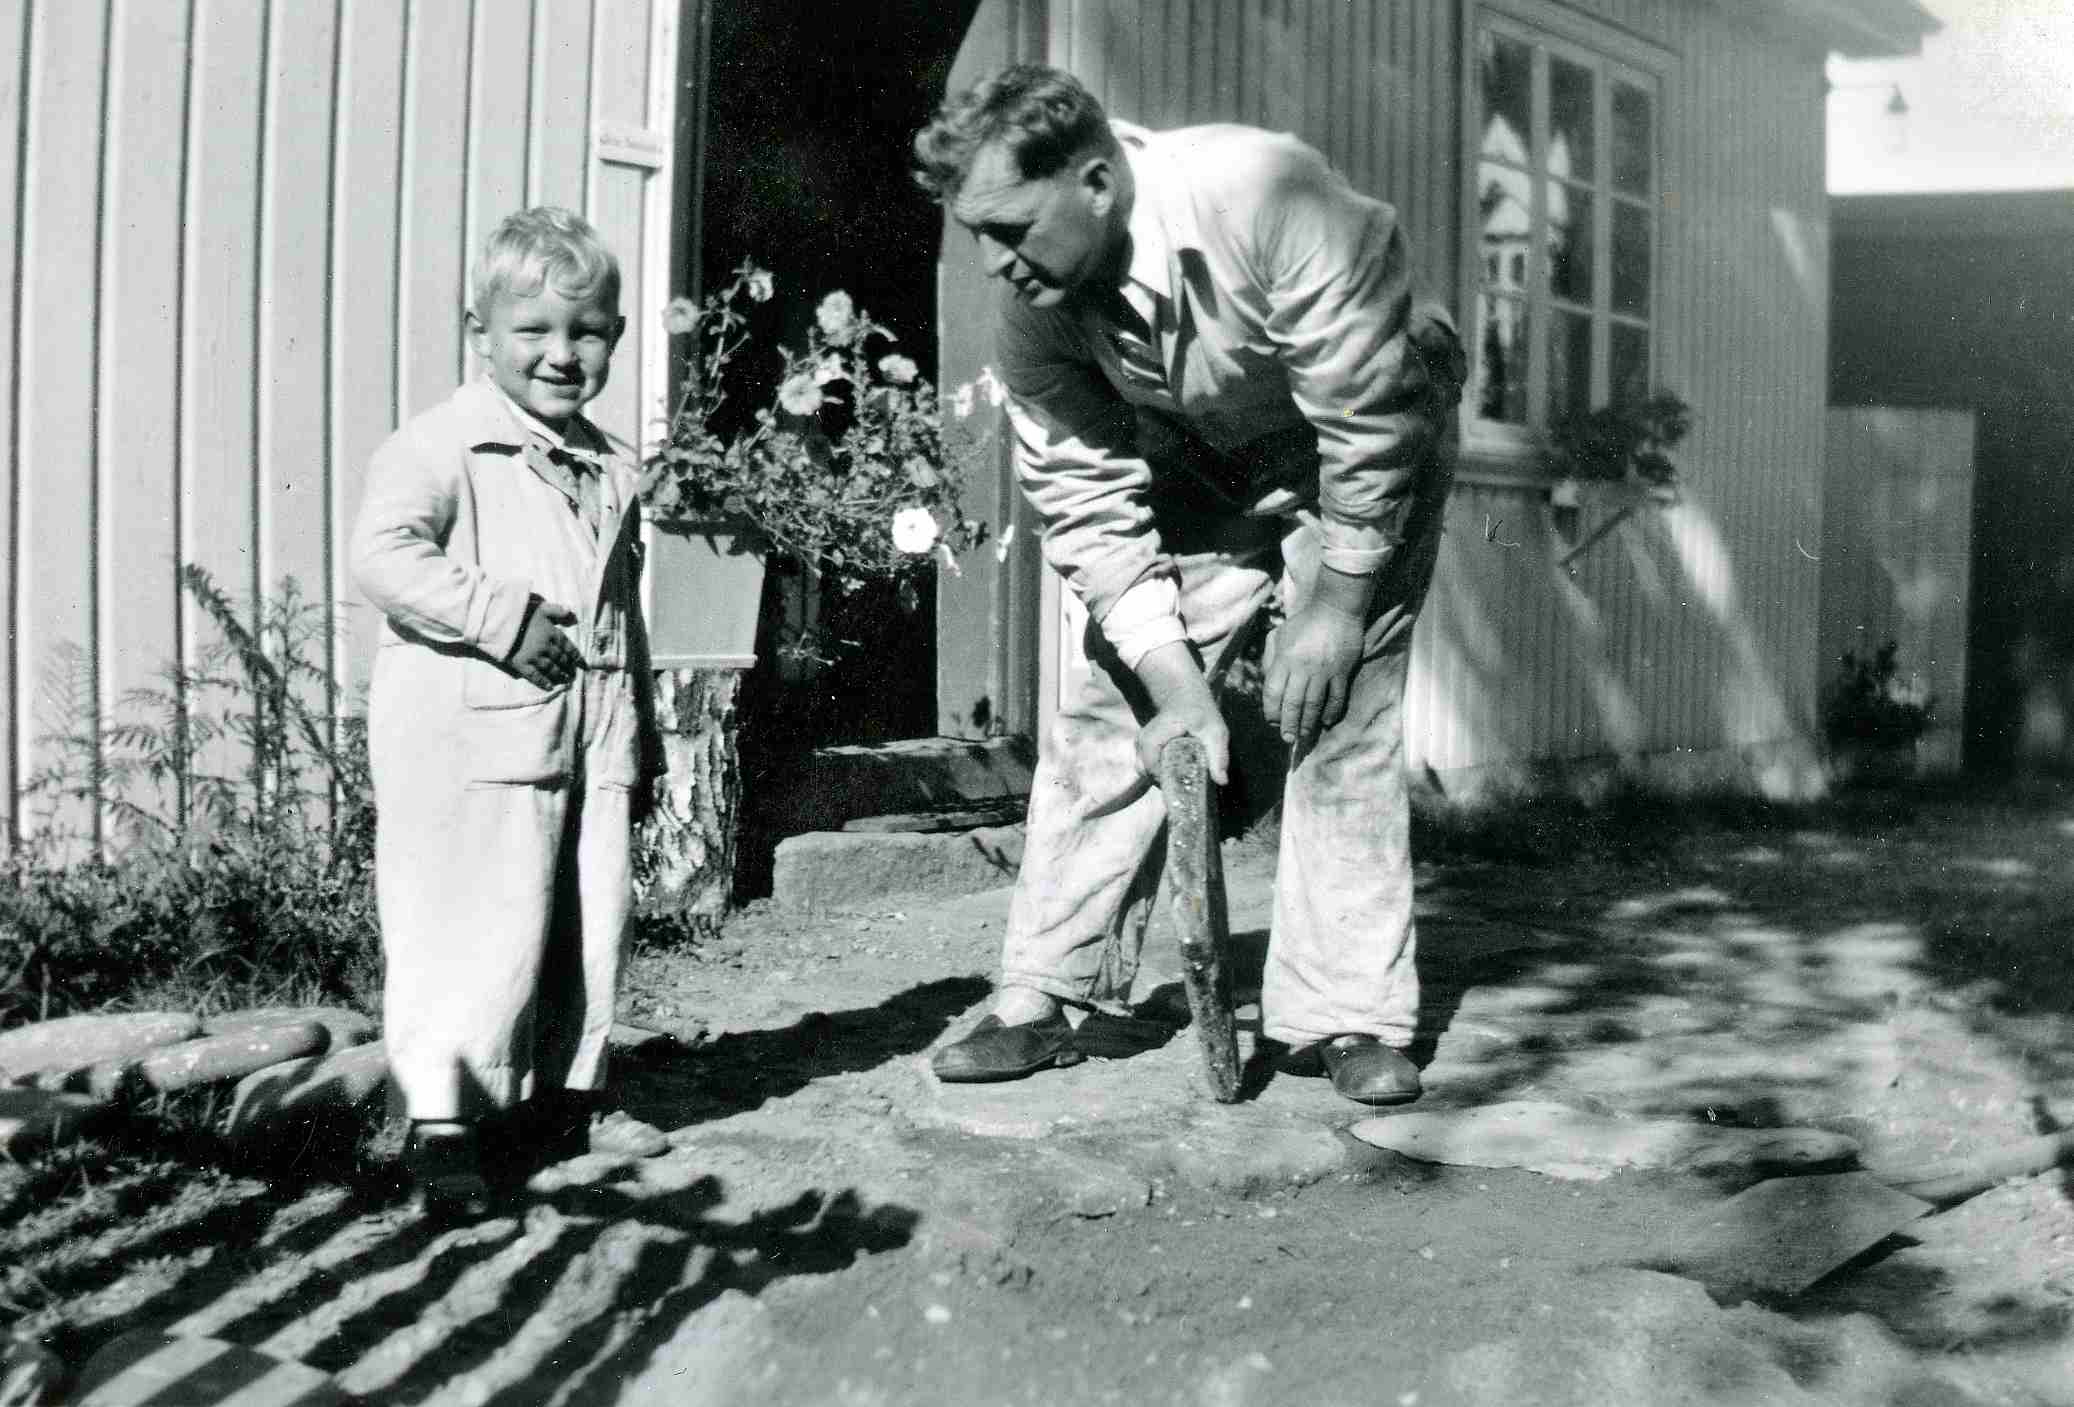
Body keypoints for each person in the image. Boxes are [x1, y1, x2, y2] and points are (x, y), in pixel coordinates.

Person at [912, 66, 1463, 1106]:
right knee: (1113, 696)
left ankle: (1345, 1012)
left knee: (1336, 707)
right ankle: (1049, 991)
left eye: (1012, 228)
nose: (993, 262)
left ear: (1095, 182)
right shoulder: (1035, 314)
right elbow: (1087, 510)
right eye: (975, 232)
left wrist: (1336, 609)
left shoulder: (1266, 195)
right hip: (1210, 436)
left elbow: (1369, 422)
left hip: (1377, 420)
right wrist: (1175, 682)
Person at [351, 206, 668, 1212]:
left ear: (615, 337)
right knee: (469, 925)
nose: (562, 355)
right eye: (534, 333)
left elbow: (622, 615)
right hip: (468, 746)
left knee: (585, 920)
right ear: (480, 331)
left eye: (587, 333)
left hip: (586, 736)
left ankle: (566, 1101)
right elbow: (384, 557)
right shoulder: (446, 445)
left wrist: (640, 732)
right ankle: (442, 1124)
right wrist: (500, 616)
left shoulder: (612, 465)